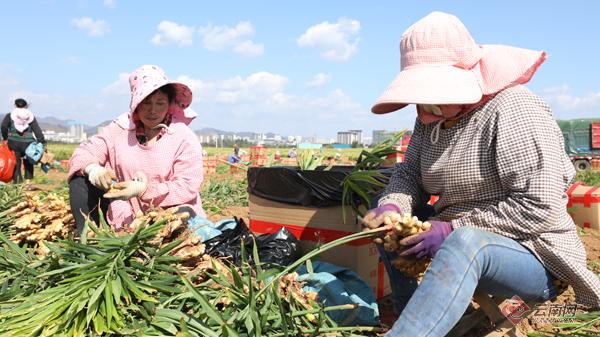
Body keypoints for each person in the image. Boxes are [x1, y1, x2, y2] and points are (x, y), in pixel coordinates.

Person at [363, 12, 600, 336]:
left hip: (532, 251)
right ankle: (413, 313)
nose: (423, 108)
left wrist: (451, 230)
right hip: (458, 238)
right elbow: (409, 176)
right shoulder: (430, 118)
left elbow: (540, 206)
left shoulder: (513, 109)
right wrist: (392, 207)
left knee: (465, 242)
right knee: (390, 220)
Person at [68, 65, 205, 234]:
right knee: (80, 181)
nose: (153, 110)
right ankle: (88, 238)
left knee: (182, 217)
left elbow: (187, 185)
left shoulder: (183, 136)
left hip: (168, 210)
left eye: (160, 103)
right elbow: (84, 152)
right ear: (136, 103)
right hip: (125, 209)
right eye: (146, 102)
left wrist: (144, 190)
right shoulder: (120, 128)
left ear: (169, 104)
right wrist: (92, 168)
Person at [1, 98, 45, 183]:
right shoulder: (30, 116)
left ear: (15, 105)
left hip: (13, 142)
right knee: (28, 161)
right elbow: (37, 130)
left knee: (16, 162)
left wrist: (5, 138)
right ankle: (28, 182)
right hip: (28, 143)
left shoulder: (10, 115)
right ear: (26, 106)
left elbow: (3, 126)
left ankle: (17, 182)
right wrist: (42, 141)